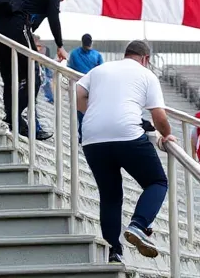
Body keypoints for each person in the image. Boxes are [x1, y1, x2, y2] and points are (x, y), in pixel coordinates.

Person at [76, 40, 173, 265]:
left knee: (110, 195)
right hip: (127, 134)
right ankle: (139, 225)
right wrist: (167, 134)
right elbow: (159, 117)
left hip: (92, 137)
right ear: (145, 59)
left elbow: (78, 93)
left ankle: (114, 251)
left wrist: (92, 112)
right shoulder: (146, 75)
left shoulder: (99, 70)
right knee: (157, 182)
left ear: (126, 54)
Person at [0, 0, 71, 139]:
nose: (61, 0)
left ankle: (17, 122)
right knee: (35, 75)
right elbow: (53, 17)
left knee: (11, 79)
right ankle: (12, 117)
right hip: (16, 24)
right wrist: (60, 46)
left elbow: (33, 26)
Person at [33, 35, 56, 104]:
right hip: (40, 65)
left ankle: (49, 98)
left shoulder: (42, 47)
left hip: (44, 65)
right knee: (44, 82)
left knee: (46, 82)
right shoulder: (40, 46)